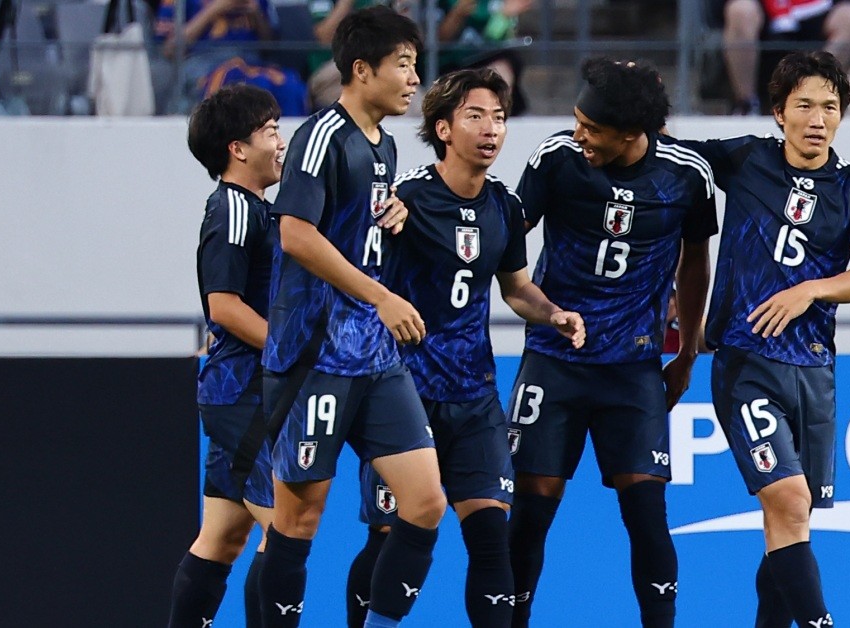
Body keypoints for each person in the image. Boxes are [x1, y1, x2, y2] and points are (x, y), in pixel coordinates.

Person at [342, 67, 586, 628]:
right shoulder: (404, 199)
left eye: (499, 118)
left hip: (474, 397)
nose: (491, 129)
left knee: (491, 536)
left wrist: (554, 314)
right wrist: (381, 225)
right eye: (475, 116)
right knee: (389, 535)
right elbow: (355, 271)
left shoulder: (505, 206)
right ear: (443, 128)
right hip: (403, 394)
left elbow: (517, 287)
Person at [507, 57, 717, 628]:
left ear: (632, 134)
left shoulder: (685, 176)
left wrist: (688, 350)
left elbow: (695, 263)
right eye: (576, 122)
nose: (578, 136)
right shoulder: (556, 159)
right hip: (554, 361)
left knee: (647, 514)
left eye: (591, 130)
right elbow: (506, 233)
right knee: (529, 513)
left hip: (633, 367)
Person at [256, 7, 445, 628]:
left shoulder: (384, 145)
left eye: (416, 66)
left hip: (373, 356)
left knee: (424, 502)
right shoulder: (320, 134)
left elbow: (345, 228)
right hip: (315, 355)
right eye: (404, 65)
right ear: (361, 70)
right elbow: (296, 235)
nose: (415, 79)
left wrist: (386, 217)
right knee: (298, 520)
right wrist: (381, 297)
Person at [687, 50, 850, 628]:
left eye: (830, 106)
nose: (818, 118)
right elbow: (667, 159)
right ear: (779, 112)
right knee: (789, 503)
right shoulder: (747, 157)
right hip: (747, 363)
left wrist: (810, 291)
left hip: (814, 371)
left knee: (788, 523)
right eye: (804, 105)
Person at [169, 84, 285, 628]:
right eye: (271, 131)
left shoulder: (260, 210)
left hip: (246, 393)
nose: (281, 142)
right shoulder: (234, 210)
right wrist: (293, 352)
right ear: (238, 149)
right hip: (242, 396)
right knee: (287, 529)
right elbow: (224, 308)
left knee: (222, 536)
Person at [721, 0, 850, 114]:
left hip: (822, 12)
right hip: (763, 15)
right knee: (740, 10)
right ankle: (747, 105)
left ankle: (812, 95)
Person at [155, 0, 307, 115]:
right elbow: (169, 49)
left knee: (290, 85)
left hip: (253, 60)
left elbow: (269, 45)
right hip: (205, 63)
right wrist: (216, 8)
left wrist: (255, 13)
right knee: (239, 83)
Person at [436, 0, 534, 115]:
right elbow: (439, 40)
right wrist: (457, 14)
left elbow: (493, 38)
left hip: (487, 58)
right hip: (451, 64)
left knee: (502, 66)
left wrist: (503, 17)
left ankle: (496, 112)